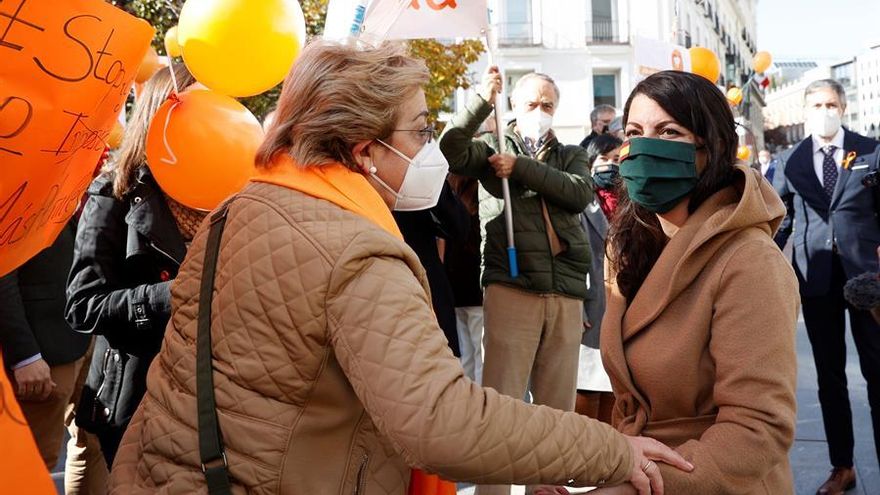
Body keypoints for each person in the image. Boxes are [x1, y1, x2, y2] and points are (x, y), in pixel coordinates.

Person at [107, 40, 692, 495]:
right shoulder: (356, 253)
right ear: (365, 150)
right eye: (418, 131)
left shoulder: (241, 207)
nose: (428, 150)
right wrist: (613, 451)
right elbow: (443, 421)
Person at [595, 70, 799, 494]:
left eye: (669, 131)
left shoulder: (750, 260)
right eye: (634, 131)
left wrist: (633, 487)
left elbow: (757, 429)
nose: (645, 145)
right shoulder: (627, 246)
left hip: (710, 480)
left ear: (713, 146)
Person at [440, 69, 594, 495]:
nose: (540, 112)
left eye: (548, 105)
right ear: (512, 105)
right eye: (531, 104)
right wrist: (478, 101)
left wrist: (521, 168)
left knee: (555, 408)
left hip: (564, 289)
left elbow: (580, 193)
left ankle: (545, 488)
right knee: (503, 404)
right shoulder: (492, 146)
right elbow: (450, 149)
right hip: (511, 284)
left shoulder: (569, 153)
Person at [65, 63, 203, 466]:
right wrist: (168, 296)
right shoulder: (115, 191)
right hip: (134, 394)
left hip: (205, 397)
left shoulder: (228, 194)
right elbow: (83, 304)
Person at [772, 78, 880, 495]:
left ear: (844, 107)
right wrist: (760, 260)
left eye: (830, 103)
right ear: (805, 111)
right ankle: (842, 467)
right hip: (816, 280)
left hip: (868, 279)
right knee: (829, 377)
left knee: (876, 370)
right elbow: (781, 218)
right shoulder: (790, 159)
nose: (824, 110)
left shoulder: (870, 150)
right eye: (816, 104)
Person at [0, 219, 108, 493]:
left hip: (91, 336)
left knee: (93, 445)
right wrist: (24, 355)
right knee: (34, 460)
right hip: (42, 353)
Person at [393, 181, 469, 356]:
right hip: (383, 299)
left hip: (429, 296)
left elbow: (459, 226)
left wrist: (430, 179)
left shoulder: (420, 175)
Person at [576, 134, 622, 423]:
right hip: (592, 310)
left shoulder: (632, 202)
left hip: (623, 312)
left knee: (616, 397)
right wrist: (577, 305)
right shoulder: (578, 202)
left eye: (617, 160)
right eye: (604, 159)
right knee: (586, 394)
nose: (611, 166)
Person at [446, 174, 485, 382]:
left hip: (456, 290)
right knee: (481, 357)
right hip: (476, 291)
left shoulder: (450, 202)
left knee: (467, 357)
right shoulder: (481, 207)